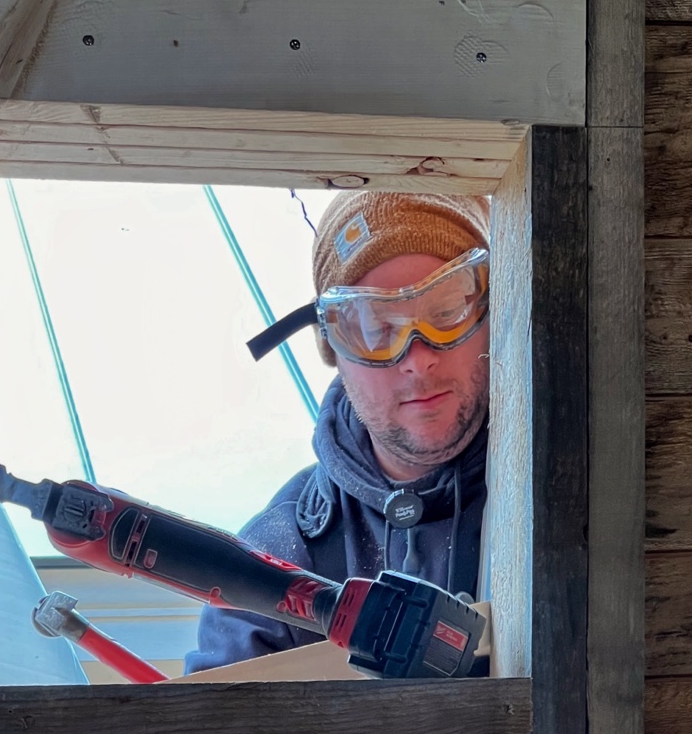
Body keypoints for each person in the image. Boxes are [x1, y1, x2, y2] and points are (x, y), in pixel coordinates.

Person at [183, 190, 491, 674]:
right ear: (333, 347)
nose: (418, 357)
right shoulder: (274, 561)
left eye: (449, 309)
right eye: (373, 327)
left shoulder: (567, 498)